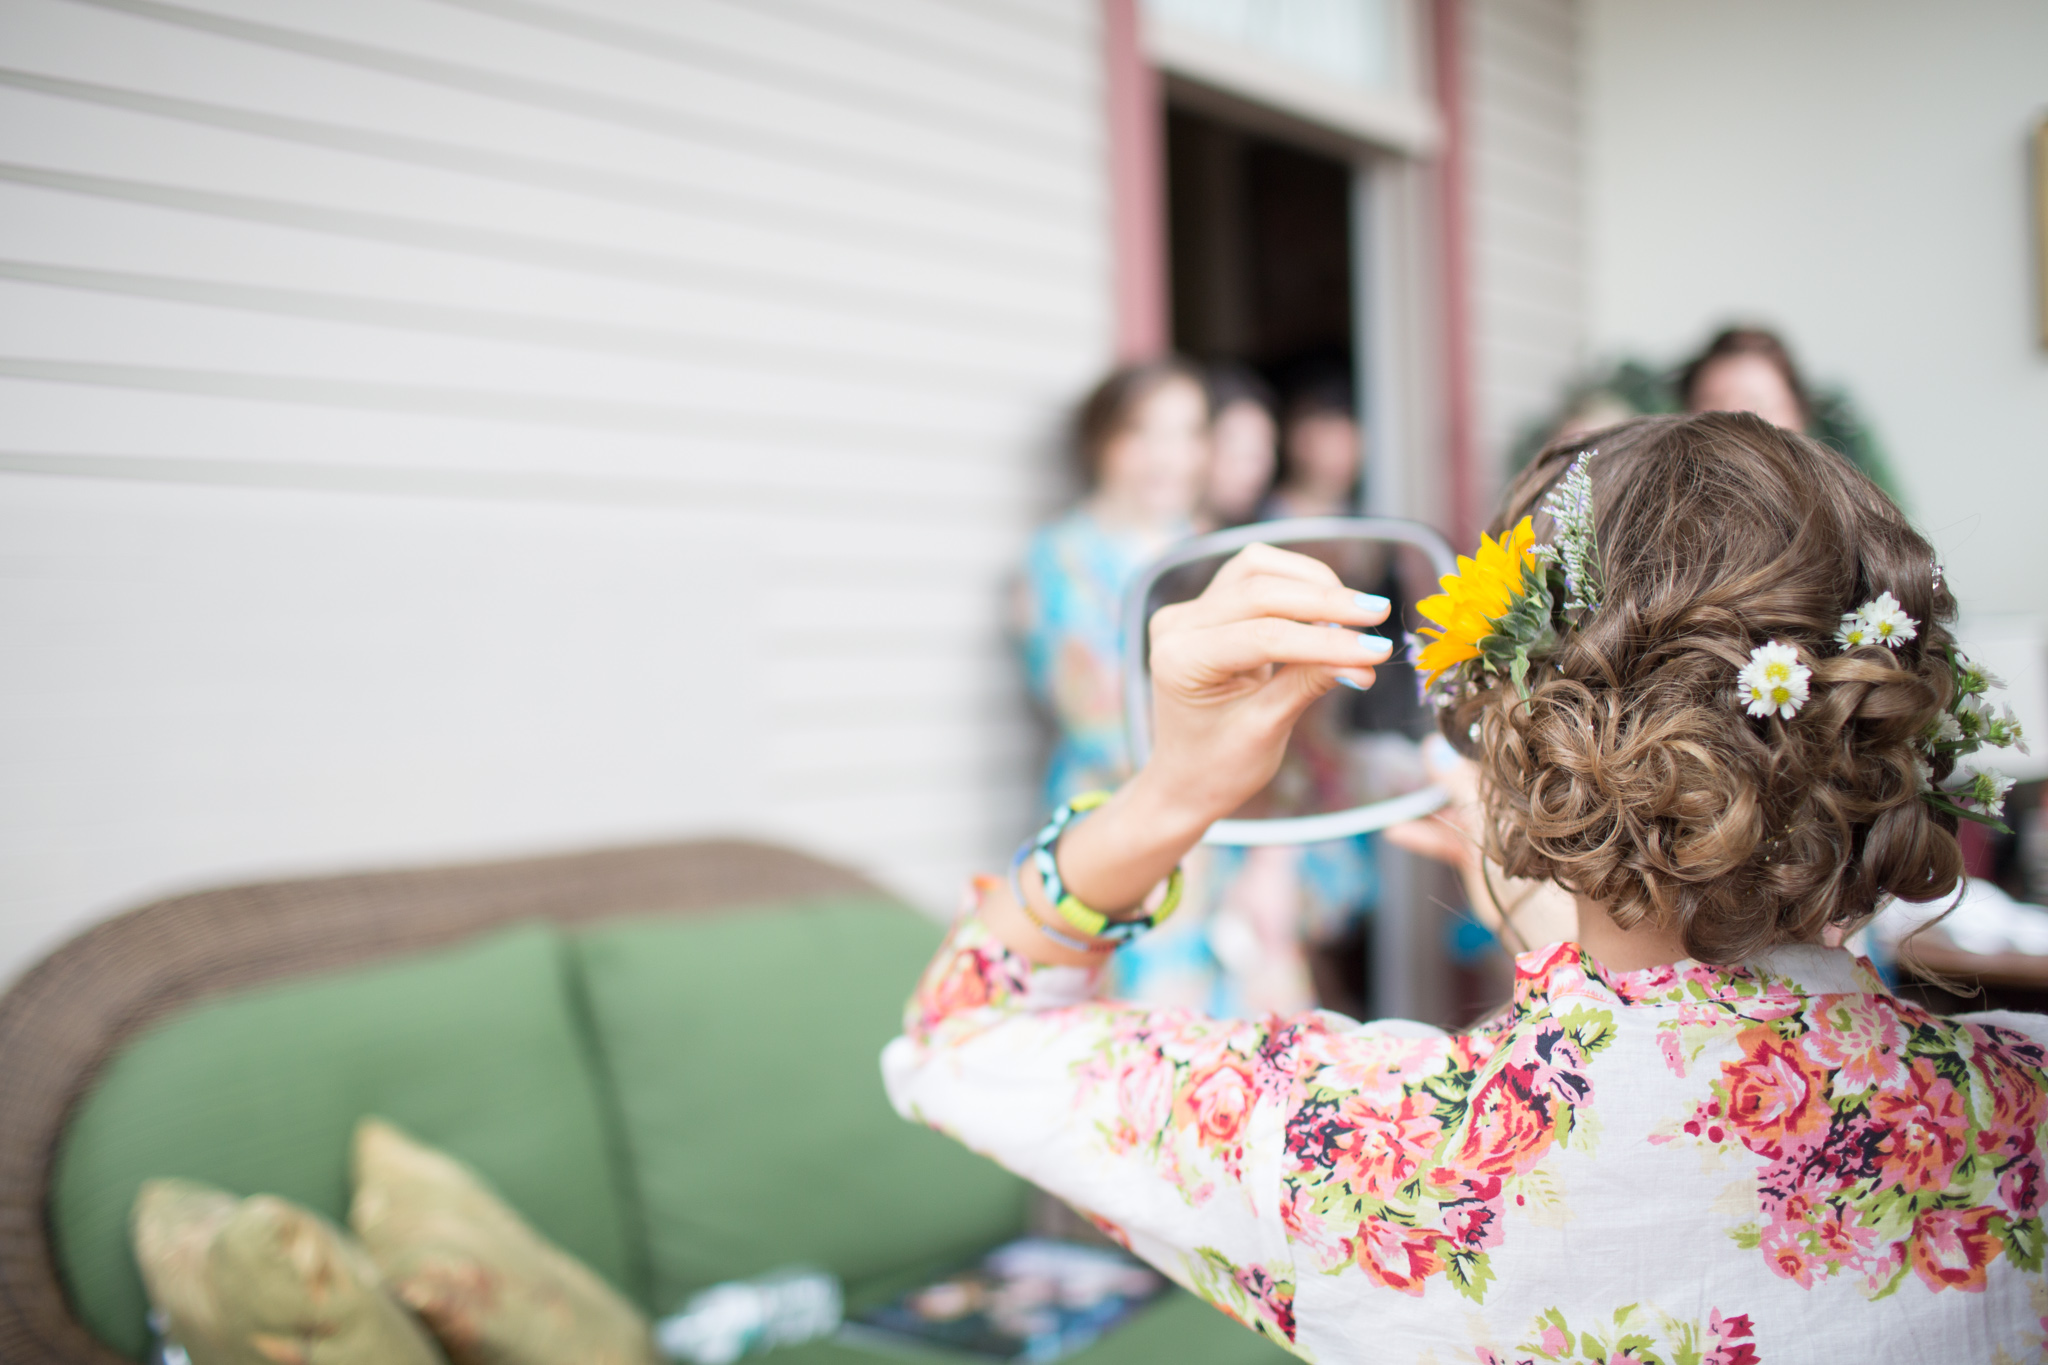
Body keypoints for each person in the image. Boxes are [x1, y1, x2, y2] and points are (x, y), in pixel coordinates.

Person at [890, 412, 2045, 1360]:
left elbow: (962, 1028)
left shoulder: (1375, 1156)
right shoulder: (2020, 1114)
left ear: (1516, 741)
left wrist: (1173, 791)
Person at [1015, 359, 1209, 809]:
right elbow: (1097, 723)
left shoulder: (1206, 545)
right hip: (1110, 813)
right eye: (1143, 432)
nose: (1170, 457)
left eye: (1189, 433)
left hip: (1219, 814)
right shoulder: (1061, 558)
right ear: (1099, 440)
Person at [1200, 365, 1279, 530]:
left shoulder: (1276, 528)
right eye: (1235, 457)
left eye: (1257, 457)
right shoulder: (1163, 539)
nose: (1249, 473)